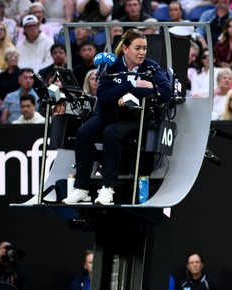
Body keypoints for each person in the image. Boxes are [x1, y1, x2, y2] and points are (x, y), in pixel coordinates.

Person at [63, 29, 172, 205]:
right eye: (137, 48)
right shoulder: (111, 67)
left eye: (144, 48)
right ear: (126, 49)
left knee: (111, 133)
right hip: (108, 114)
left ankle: (108, 188)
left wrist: (136, 92)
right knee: (84, 133)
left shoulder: (150, 67)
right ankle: (82, 188)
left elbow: (165, 93)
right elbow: (104, 96)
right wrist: (132, 83)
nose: (142, 52)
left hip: (135, 118)